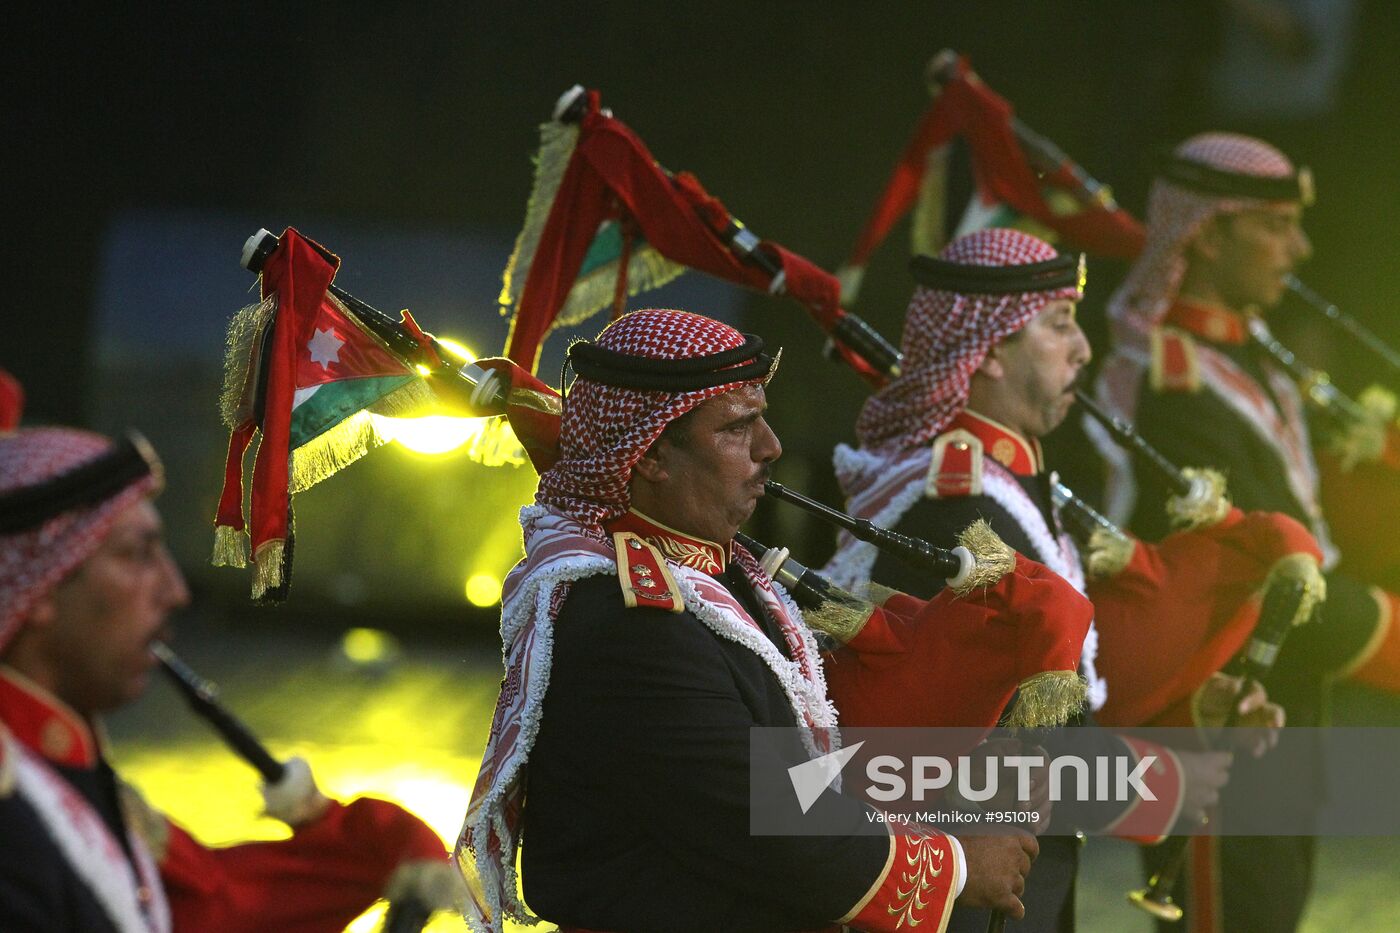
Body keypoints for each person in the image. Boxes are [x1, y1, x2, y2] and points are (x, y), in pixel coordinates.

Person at [456, 308, 1042, 933]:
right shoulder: (629, 618)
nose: (772, 446)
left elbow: (800, 760)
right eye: (738, 428)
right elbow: (763, 818)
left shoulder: (717, 572)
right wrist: (954, 867)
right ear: (651, 454)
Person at [824, 228, 1283, 933]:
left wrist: (1195, 715)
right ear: (990, 352)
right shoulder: (958, 511)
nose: (1084, 348)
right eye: (1059, 324)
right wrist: (1163, 785)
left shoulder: (1009, 491)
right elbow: (988, 748)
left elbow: (1060, 690)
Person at [1094, 131, 1399, 932]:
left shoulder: (1248, 360)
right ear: (1208, 231)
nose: (1298, 248)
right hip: (1214, 723)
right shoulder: (1171, 388)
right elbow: (1261, 574)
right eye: (1274, 225)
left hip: (1281, 708)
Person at [0, 426, 453, 932]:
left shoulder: (66, 769)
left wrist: (369, 844)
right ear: (39, 586)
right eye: (136, 554)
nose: (175, 591)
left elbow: (213, 900)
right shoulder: (16, 812)